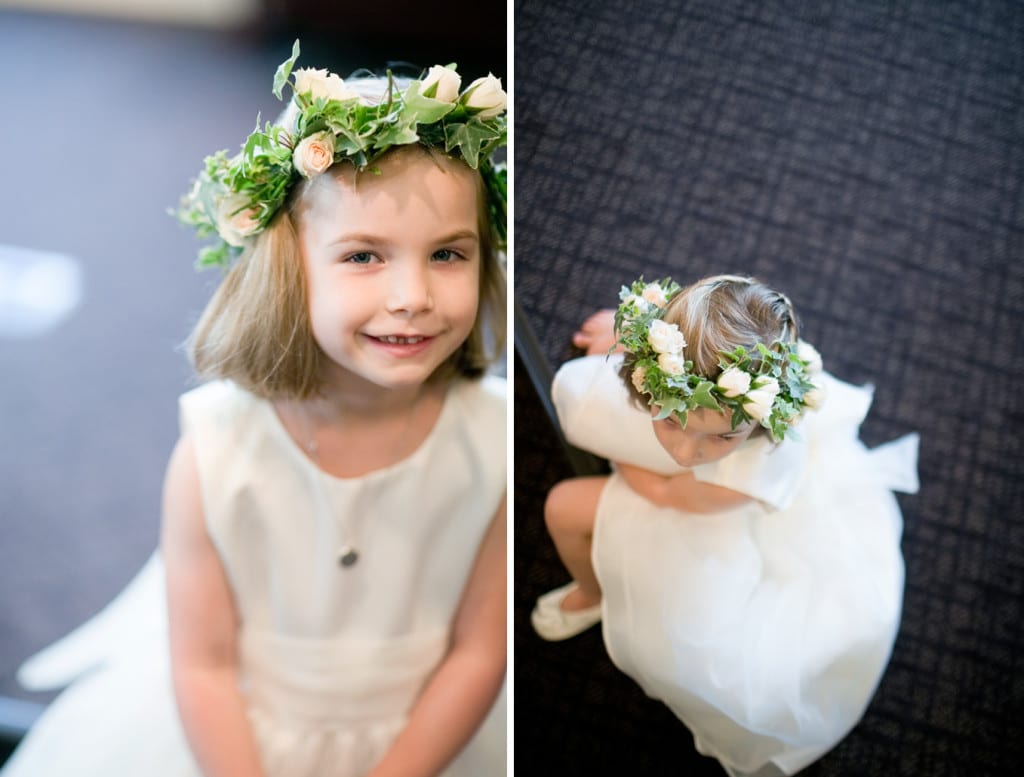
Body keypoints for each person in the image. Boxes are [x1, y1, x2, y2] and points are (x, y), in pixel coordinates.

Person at [3, 42, 507, 777]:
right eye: (365, 255)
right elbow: (203, 664)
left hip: (426, 739)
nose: (413, 296)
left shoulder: (490, 439)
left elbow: (480, 650)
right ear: (286, 264)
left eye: (447, 254)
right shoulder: (218, 448)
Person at [531, 275, 919, 777]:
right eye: (671, 421)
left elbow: (670, 490)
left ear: (758, 424)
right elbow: (669, 342)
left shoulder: (754, 467)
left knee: (563, 505)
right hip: (684, 474)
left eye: (718, 438)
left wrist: (623, 458)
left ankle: (594, 591)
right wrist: (621, 334)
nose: (686, 451)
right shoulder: (672, 366)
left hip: (701, 510)